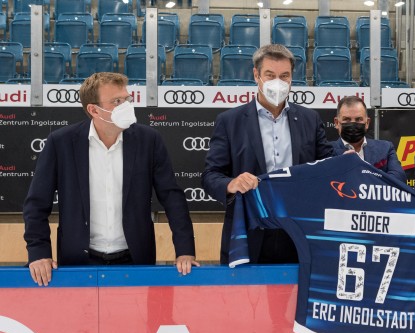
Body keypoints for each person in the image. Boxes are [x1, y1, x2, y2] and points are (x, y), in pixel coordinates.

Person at [23, 72, 198, 286]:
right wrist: (39, 252)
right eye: (117, 101)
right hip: (78, 260)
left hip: (135, 259)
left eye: (127, 99)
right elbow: (36, 204)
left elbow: (172, 198)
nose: (126, 106)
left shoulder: (148, 140)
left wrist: (185, 250)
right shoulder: (61, 142)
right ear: (94, 110)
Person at [202, 44, 333, 265]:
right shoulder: (229, 121)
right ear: (256, 75)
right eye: (270, 75)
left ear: (292, 78)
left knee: (295, 298)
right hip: (249, 232)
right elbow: (210, 175)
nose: (278, 83)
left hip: (299, 233)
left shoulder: (310, 120)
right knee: (244, 298)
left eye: (284, 76)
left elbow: (328, 168)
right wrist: (232, 183)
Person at [331, 95, 406, 182]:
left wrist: (365, 180)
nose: (353, 124)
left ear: (367, 123)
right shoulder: (326, 151)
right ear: (336, 123)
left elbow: (399, 178)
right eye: (347, 119)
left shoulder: (385, 148)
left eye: (358, 119)